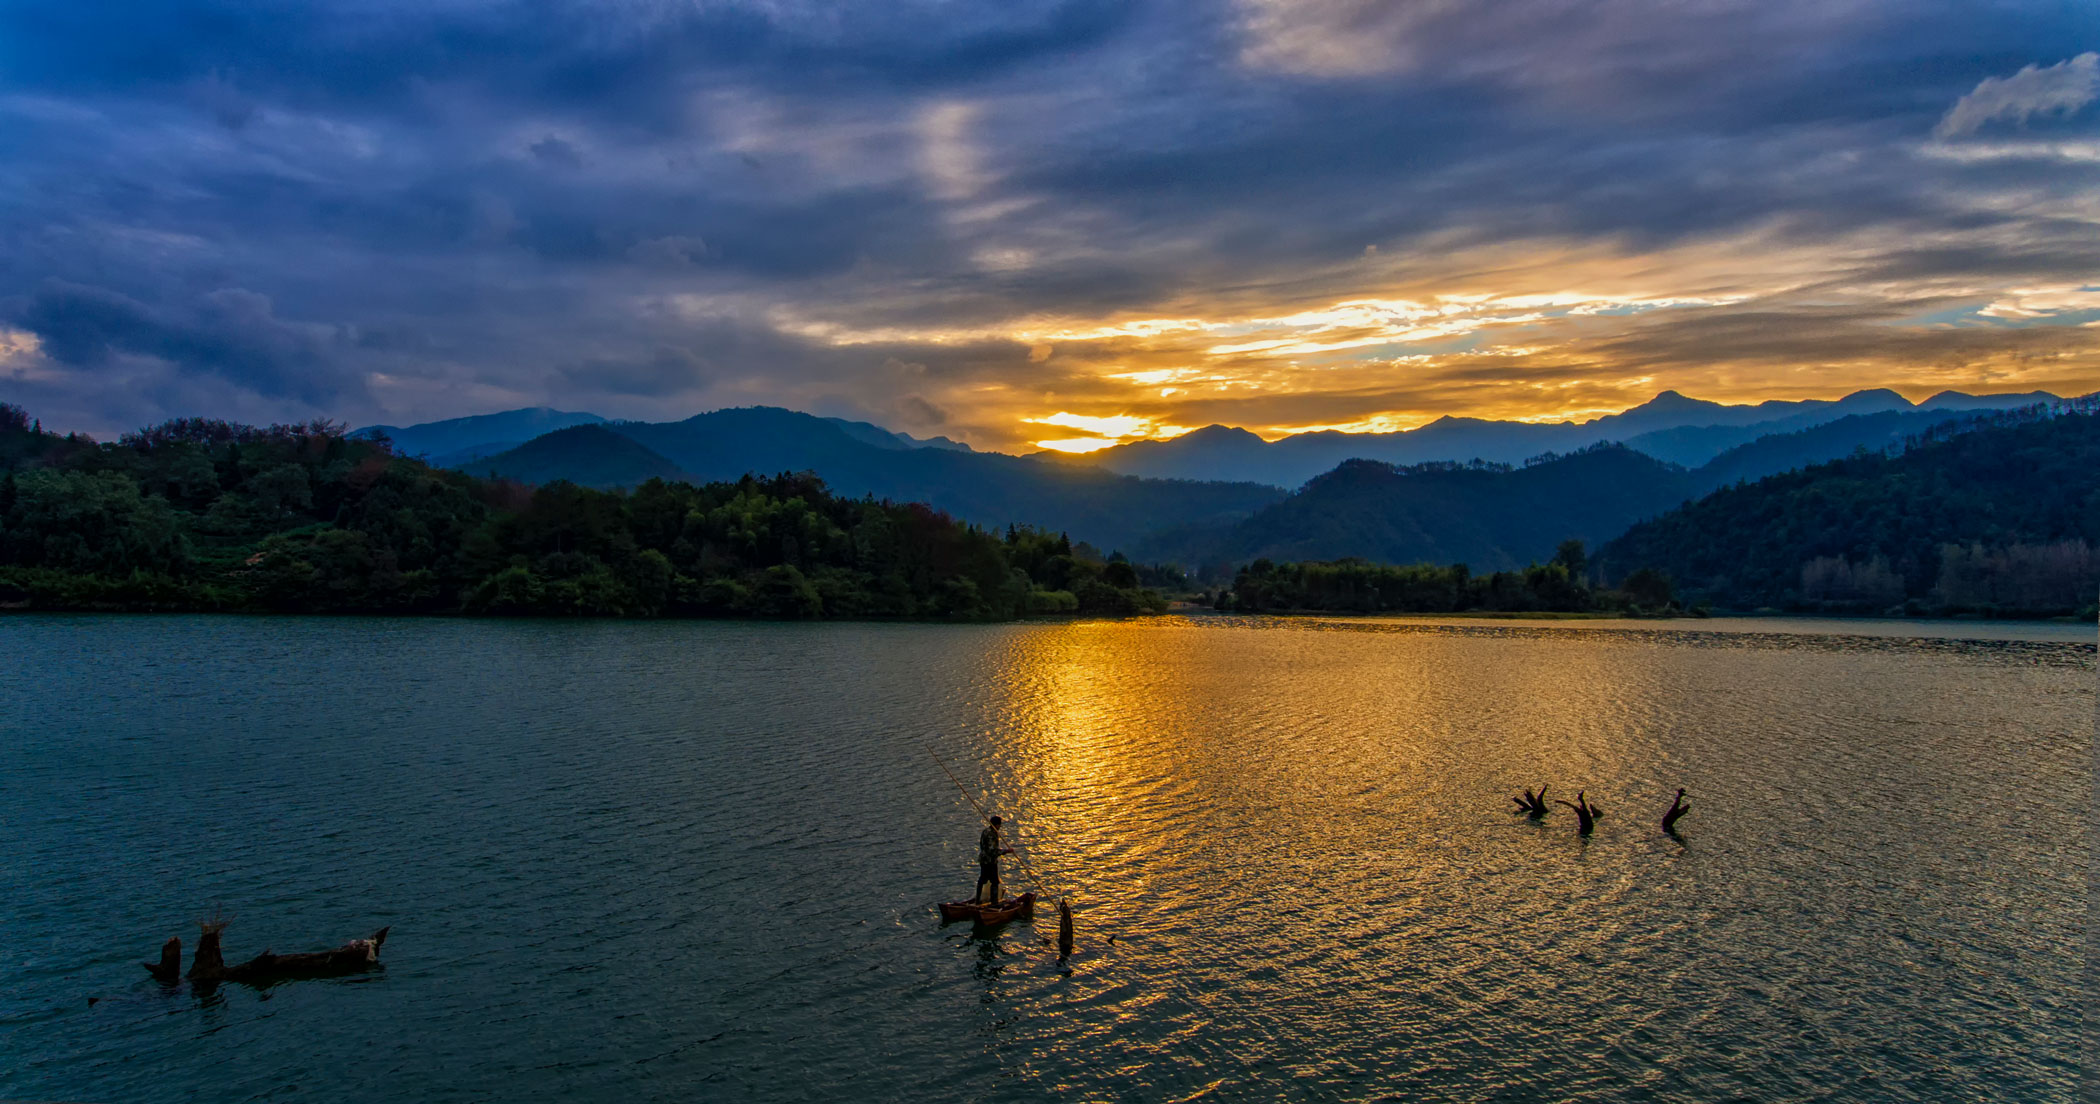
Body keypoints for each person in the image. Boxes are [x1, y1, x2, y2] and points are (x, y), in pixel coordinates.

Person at [976, 815, 1015, 904]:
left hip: (985, 860)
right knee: (993, 881)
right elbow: (992, 850)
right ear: (996, 824)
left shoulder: (987, 831)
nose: (1000, 827)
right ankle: (993, 903)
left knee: (983, 879)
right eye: (999, 825)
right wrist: (1006, 851)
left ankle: (978, 901)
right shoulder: (991, 834)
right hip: (989, 861)